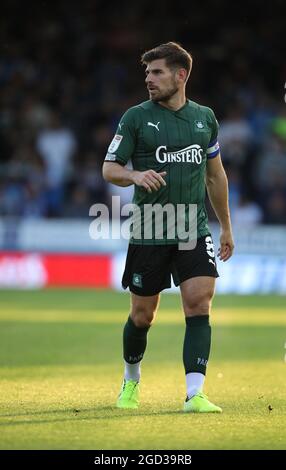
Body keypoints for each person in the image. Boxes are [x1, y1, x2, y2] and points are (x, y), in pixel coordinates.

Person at [102, 42, 234, 413]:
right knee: (143, 316)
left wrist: (226, 227)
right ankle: (131, 381)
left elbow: (215, 175)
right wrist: (133, 174)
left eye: (157, 72)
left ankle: (195, 394)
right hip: (150, 228)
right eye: (147, 73)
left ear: (181, 75)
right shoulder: (135, 118)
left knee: (198, 304)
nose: (148, 79)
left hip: (193, 228)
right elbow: (109, 168)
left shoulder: (204, 118)